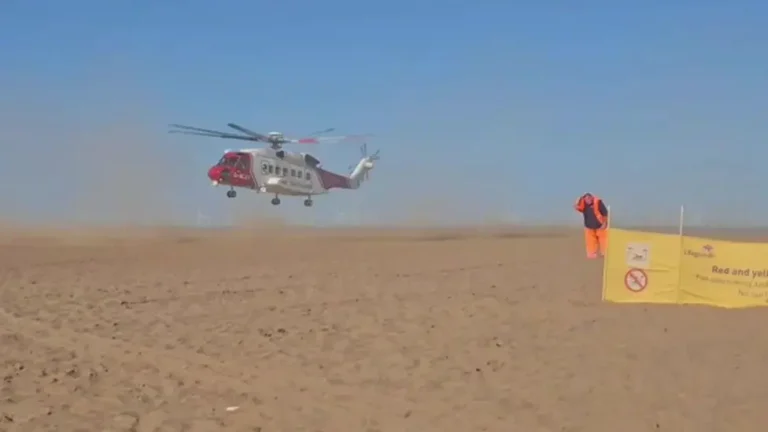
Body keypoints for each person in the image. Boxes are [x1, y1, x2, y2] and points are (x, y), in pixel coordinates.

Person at [574, 193, 608, 258]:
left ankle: (605, 253)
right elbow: (578, 208)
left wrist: (604, 223)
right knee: (590, 241)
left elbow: (605, 213)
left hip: (600, 226)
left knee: (603, 240)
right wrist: (577, 202)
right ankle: (592, 254)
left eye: (589, 198)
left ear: (592, 197)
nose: (588, 200)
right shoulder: (583, 203)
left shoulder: (598, 202)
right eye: (586, 199)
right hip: (589, 227)